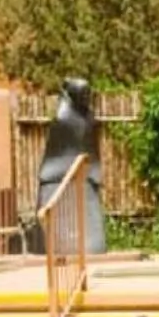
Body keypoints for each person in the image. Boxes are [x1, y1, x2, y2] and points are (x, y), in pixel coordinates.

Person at [36, 77, 106, 254]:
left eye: (87, 94)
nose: (86, 98)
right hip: (59, 174)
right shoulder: (63, 119)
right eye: (82, 95)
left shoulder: (88, 117)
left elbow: (91, 146)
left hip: (84, 174)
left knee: (93, 245)